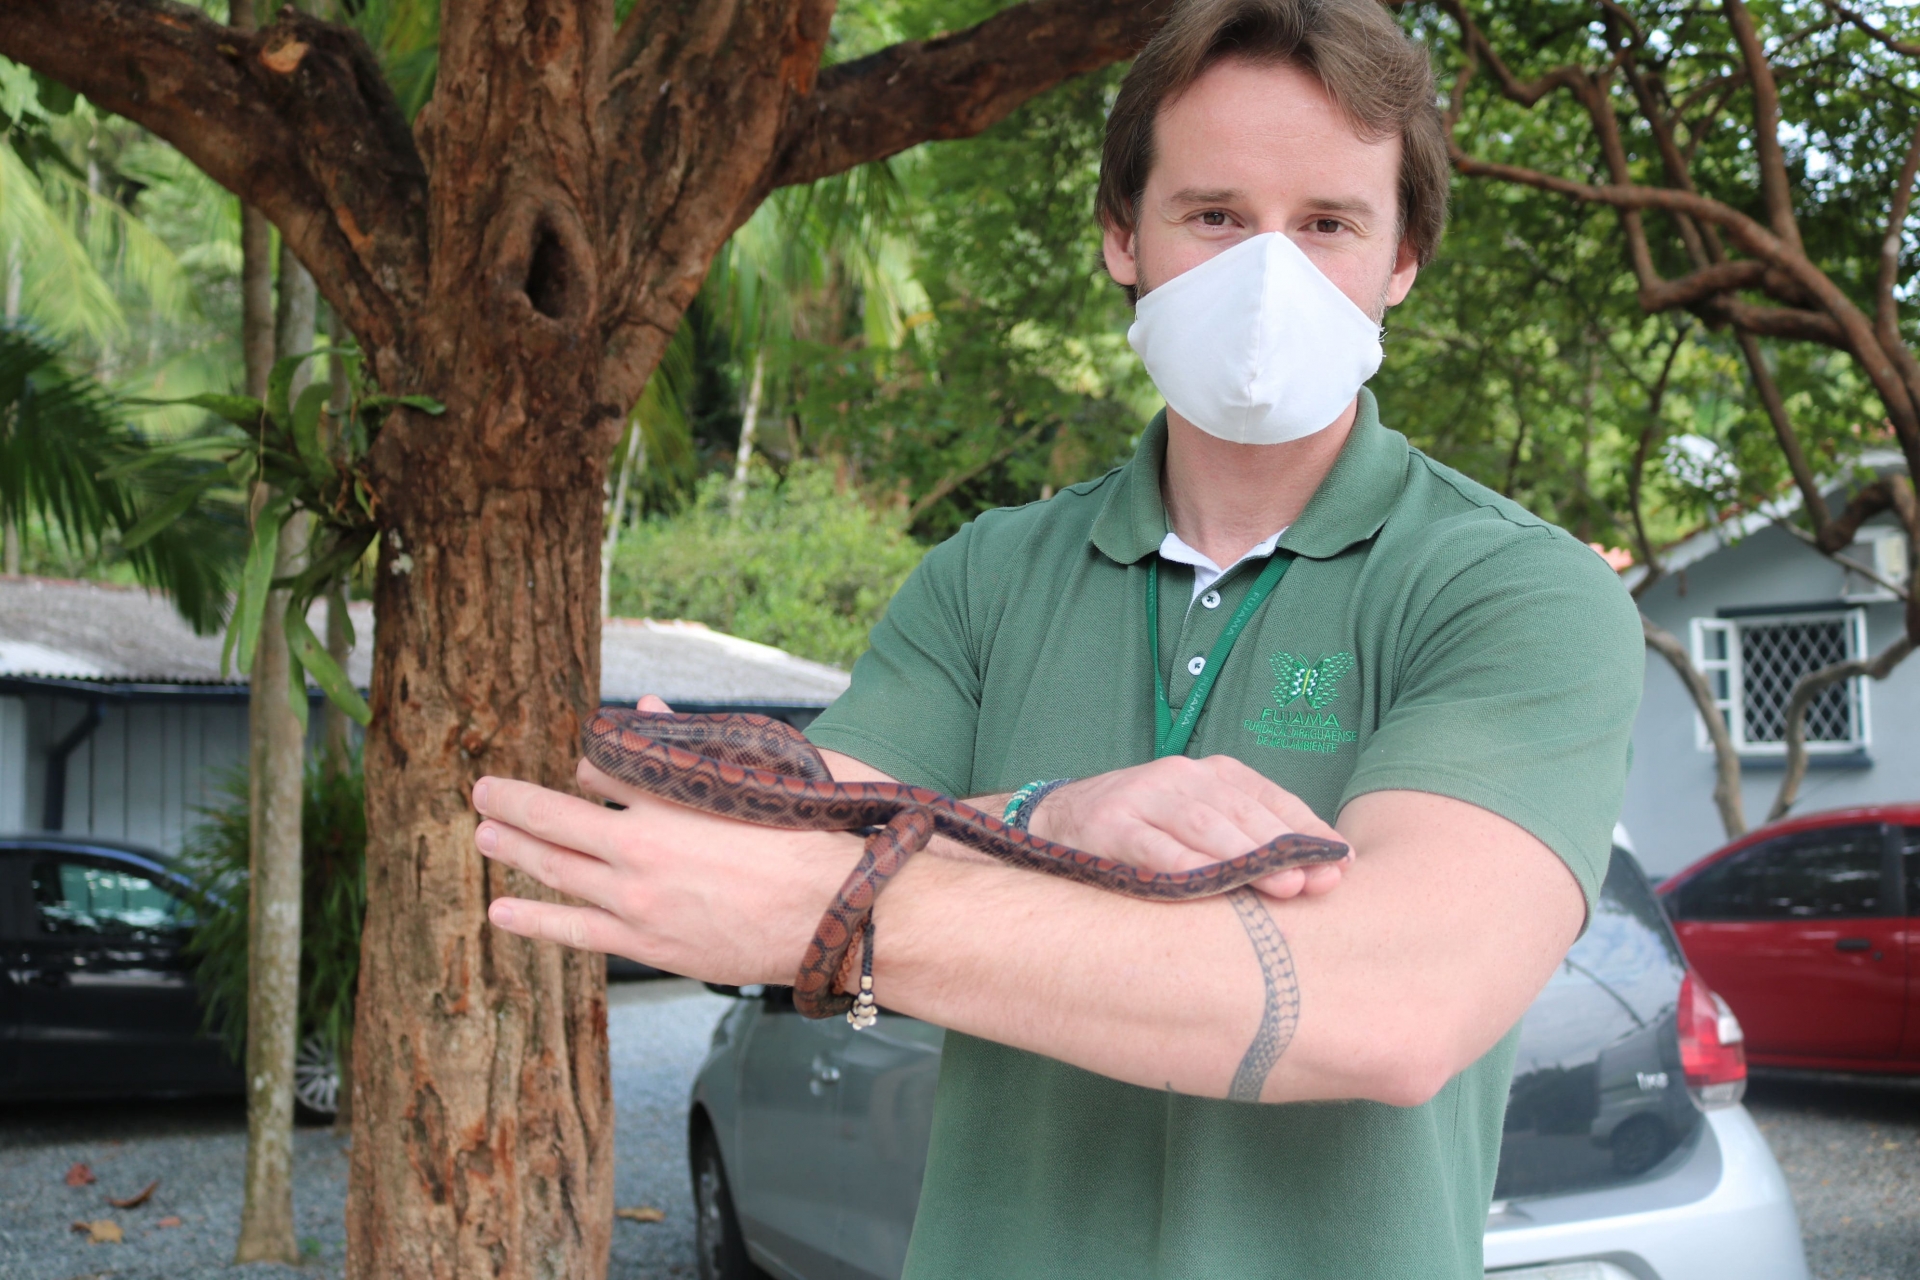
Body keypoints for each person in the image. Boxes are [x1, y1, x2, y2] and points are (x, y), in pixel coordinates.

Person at [469, 0, 1645, 1275]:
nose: (1270, 272)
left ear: (1401, 259)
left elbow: (1392, 1002)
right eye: (1214, 214)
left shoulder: (1519, 589)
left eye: (1327, 223)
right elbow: (749, 850)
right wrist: (1044, 816)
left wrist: (856, 897)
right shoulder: (984, 575)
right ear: (1118, 237)